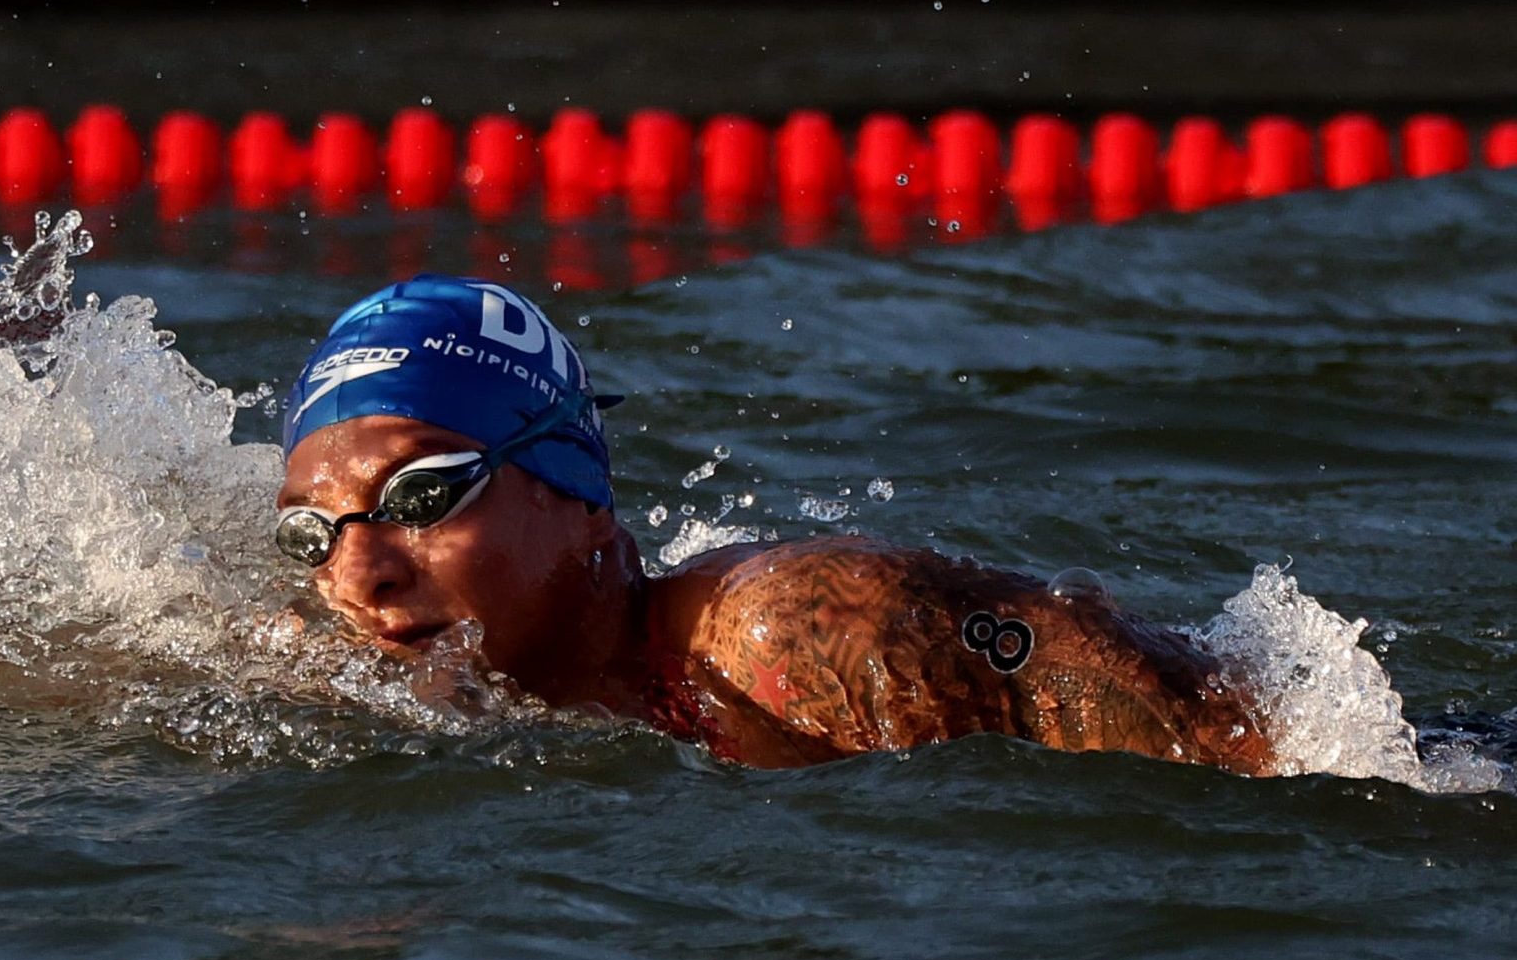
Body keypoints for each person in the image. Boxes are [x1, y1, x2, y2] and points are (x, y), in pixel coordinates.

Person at [275, 275, 1276, 774]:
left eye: (421, 497)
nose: (359, 574)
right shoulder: (353, 685)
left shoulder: (794, 630)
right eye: (311, 533)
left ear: (577, 499)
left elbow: (1270, 756)